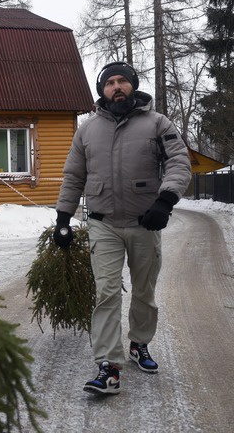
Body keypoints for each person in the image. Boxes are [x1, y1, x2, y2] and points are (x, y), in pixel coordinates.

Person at [53, 61, 192, 395]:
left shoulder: (158, 124)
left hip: (146, 222)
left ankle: (139, 343)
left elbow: (178, 162)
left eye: (122, 82)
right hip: (104, 224)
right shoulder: (87, 129)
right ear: (102, 90)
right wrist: (62, 218)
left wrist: (165, 200)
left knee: (144, 290)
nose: (116, 87)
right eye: (110, 83)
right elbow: (74, 176)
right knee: (106, 293)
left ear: (133, 85)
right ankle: (109, 367)